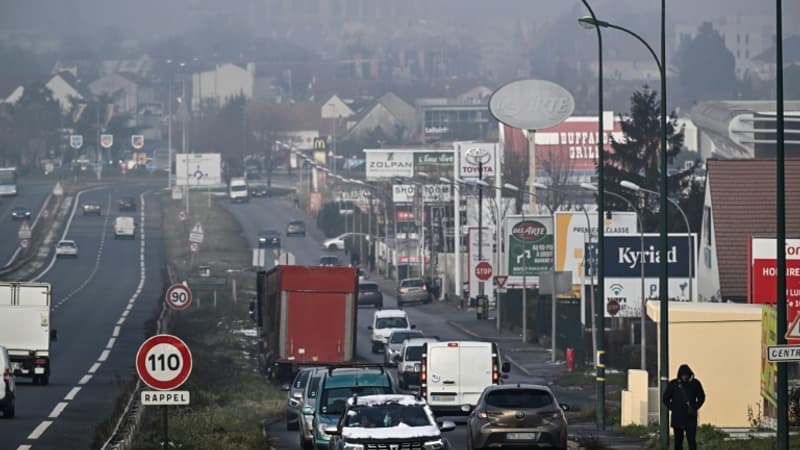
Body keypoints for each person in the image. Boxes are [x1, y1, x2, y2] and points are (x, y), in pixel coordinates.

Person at [663, 364, 706, 450]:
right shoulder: (673, 384)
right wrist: (673, 408)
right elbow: (665, 398)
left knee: (691, 440)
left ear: (689, 374)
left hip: (690, 417)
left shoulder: (695, 383)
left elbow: (702, 397)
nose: (684, 377)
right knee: (678, 442)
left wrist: (695, 407)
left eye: (686, 375)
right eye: (683, 375)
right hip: (677, 417)